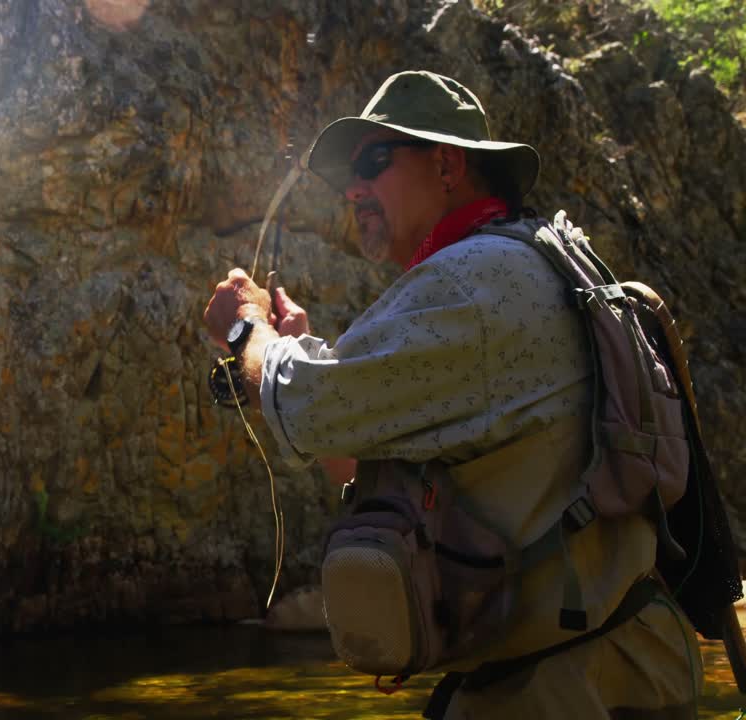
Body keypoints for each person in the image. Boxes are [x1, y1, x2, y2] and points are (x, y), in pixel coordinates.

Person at [202, 70, 702, 718]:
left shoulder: (473, 279)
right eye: (351, 174)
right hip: (602, 675)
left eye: (375, 161)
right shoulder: (517, 263)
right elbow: (357, 456)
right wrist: (297, 348)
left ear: (447, 165)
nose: (355, 188)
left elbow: (305, 406)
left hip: (566, 693)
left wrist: (248, 330)